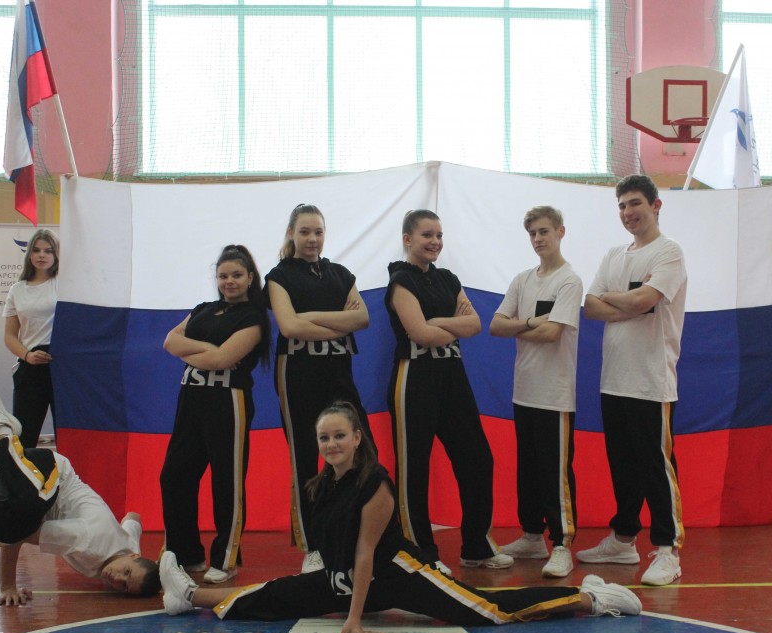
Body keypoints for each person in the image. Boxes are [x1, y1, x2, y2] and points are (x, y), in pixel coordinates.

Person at [159, 402, 641, 633]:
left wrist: (353, 620)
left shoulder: (376, 484)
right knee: (274, 594)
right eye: (324, 438)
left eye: (339, 436)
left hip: (398, 573)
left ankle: (592, 597)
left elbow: (367, 553)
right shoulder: (318, 486)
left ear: (357, 438)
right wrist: (327, 588)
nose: (331, 444)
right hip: (344, 578)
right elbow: (334, 553)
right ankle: (188, 596)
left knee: (488, 610)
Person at [0, 387, 160, 604]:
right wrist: (8, 585)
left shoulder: (129, 547)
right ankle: (1, 430)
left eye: (124, 586)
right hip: (49, 472)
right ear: (133, 558)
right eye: (127, 572)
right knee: (18, 524)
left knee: (13, 516)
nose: (117, 579)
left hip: (18, 484)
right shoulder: (89, 543)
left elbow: (133, 517)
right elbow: (19, 535)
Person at [384, 209, 512, 575]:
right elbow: (420, 335)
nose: (435, 241)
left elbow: (475, 324)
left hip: (452, 374)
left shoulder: (448, 278)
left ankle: (476, 546)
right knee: (414, 467)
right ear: (408, 239)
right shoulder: (400, 281)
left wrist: (438, 322)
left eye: (439, 235)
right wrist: (450, 325)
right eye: (427, 235)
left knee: (478, 459)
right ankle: (419, 553)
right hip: (414, 377)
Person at [580, 175, 687, 587]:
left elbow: (646, 300)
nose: (628, 212)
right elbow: (591, 307)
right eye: (622, 205)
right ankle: (623, 540)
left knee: (655, 466)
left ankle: (668, 550)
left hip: (650, 380)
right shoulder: (614, 255)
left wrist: (621, 299)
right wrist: (629, 303)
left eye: (635, 203)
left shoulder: (669, 252)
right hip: (614, 379)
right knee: (623, 466)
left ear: (656, 205)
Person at [266, 203, 372, 574]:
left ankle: (358, 537)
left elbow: (362, 318)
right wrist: (338, 323)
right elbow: (290, 327)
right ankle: (312, 547)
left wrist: (310, 317)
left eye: (318, 232)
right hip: (298, 372)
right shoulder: (279, 276)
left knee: (359, 450)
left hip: (339, 371)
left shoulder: (340, 273)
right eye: (305, 231)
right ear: (291, 233)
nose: (312, 239)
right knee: (306, 455)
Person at [160, 245, 270, 585]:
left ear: (250, 278)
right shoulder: (203, 309)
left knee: (226, 481)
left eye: (236, 275)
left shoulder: (253, 317)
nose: (229, 281)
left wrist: (197, 351)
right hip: (191, 397)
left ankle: (226, 558)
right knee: (174, 476)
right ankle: (187, 554)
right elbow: (169, 342)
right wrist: (208, 350)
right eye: (223, 276)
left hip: (228, 400)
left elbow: (222, 361)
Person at [489, 206, 583, 579]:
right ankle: (531, 536)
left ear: (561, 231)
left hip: (554, 395)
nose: (538, 239)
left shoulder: (569, 281)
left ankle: (561, 544)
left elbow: (552, 333)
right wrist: (529, 321)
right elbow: (496, 326)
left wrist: (520, 326)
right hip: (524, 391)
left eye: (544, 231)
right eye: (532, 233)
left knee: (554, 472)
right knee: (527, 469)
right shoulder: (522, 280)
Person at [3, 228, 60, 448]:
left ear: (56, 255)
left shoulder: (65, 284)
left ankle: (68, 472)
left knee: (67, 433)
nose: (42, 255)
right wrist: (27, 356)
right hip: (30, 364)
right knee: (24, 434)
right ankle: (22, 472)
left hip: (62, 365)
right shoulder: (17, 290)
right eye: (36, 250)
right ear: (29, 254)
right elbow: (9, 335)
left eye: (48, 250)